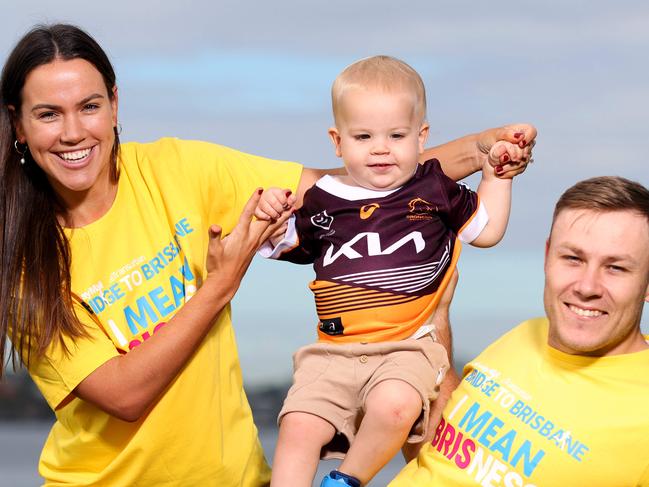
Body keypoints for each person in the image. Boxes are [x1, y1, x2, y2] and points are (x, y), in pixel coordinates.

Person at [0, 24, 535, 486]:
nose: (74, 132)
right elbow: (124, 394)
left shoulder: (175, 169)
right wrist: (220, 284)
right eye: (48, 114)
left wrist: (481, 148)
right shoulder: (21, 260)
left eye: (89, 106)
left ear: (114, 104)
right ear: (18, 125)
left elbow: (352, 192)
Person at [255, 56, 529, 487]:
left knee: (396, 407)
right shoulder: (324, 198)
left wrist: (499, 174)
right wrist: (269, 211)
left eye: (396, 135)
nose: (380, 148)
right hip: (332, 351)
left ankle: (345, 480)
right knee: (298, 425)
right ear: (337, 141)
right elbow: (285, 242)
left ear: (421, 138)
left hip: (408, 348)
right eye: (363, 136)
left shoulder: (434, 187)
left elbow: (488, 229)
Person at [390, 176, 649, 486]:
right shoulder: (526, 335)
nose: (587, 287)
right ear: (547, 257)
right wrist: (434, 320)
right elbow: (438, 455)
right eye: (573, 259)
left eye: (615, 267)